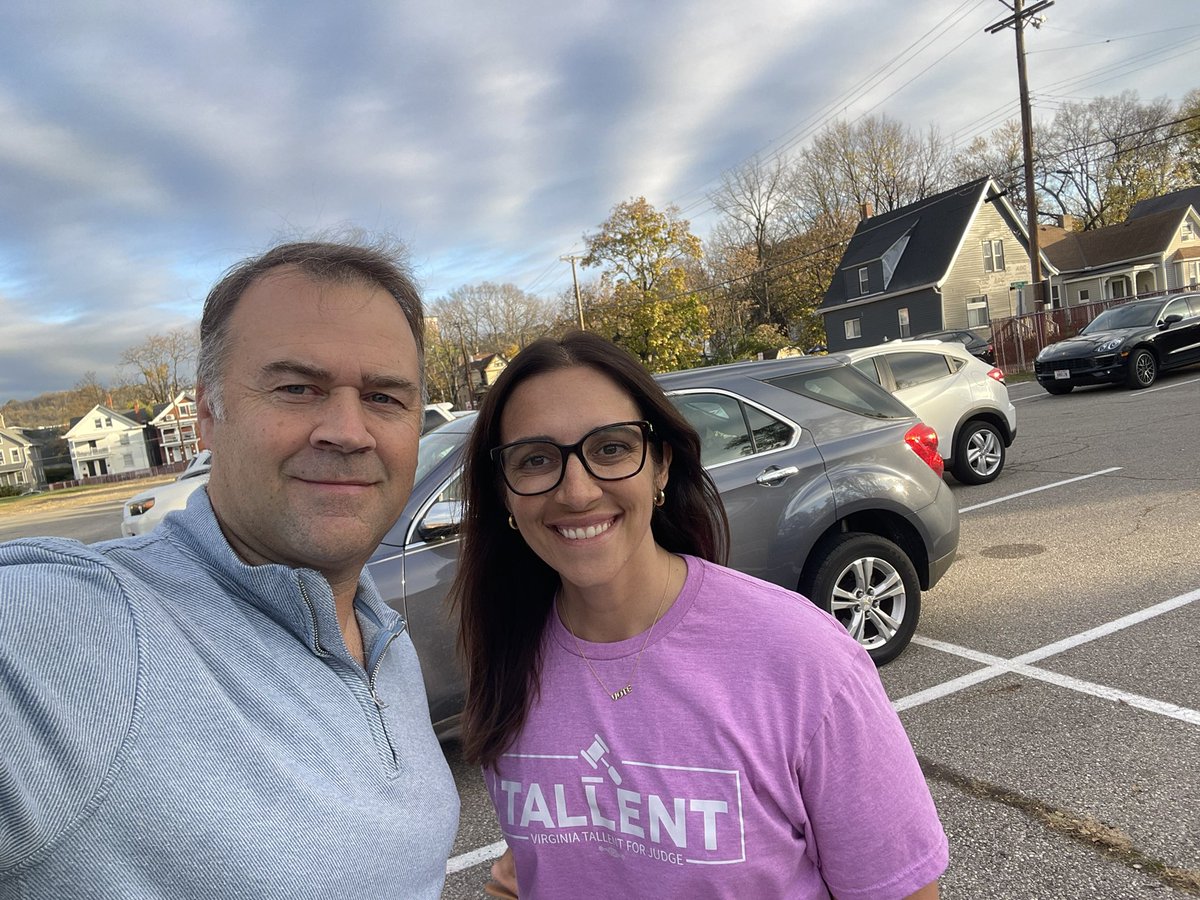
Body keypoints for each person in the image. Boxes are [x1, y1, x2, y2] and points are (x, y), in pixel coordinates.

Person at [0, 239, 460, 899]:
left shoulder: (383, 636)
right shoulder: (85, 629)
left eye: (385, 397)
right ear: (209, 414)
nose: (348, 430)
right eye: (297, 388)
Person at [453, 332, 947, 899]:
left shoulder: (800, 655)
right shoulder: (508, 652)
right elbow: (539, 865)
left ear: (661, 465)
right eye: (536, 460)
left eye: (610, 448)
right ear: (505, 492)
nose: (577, 491)